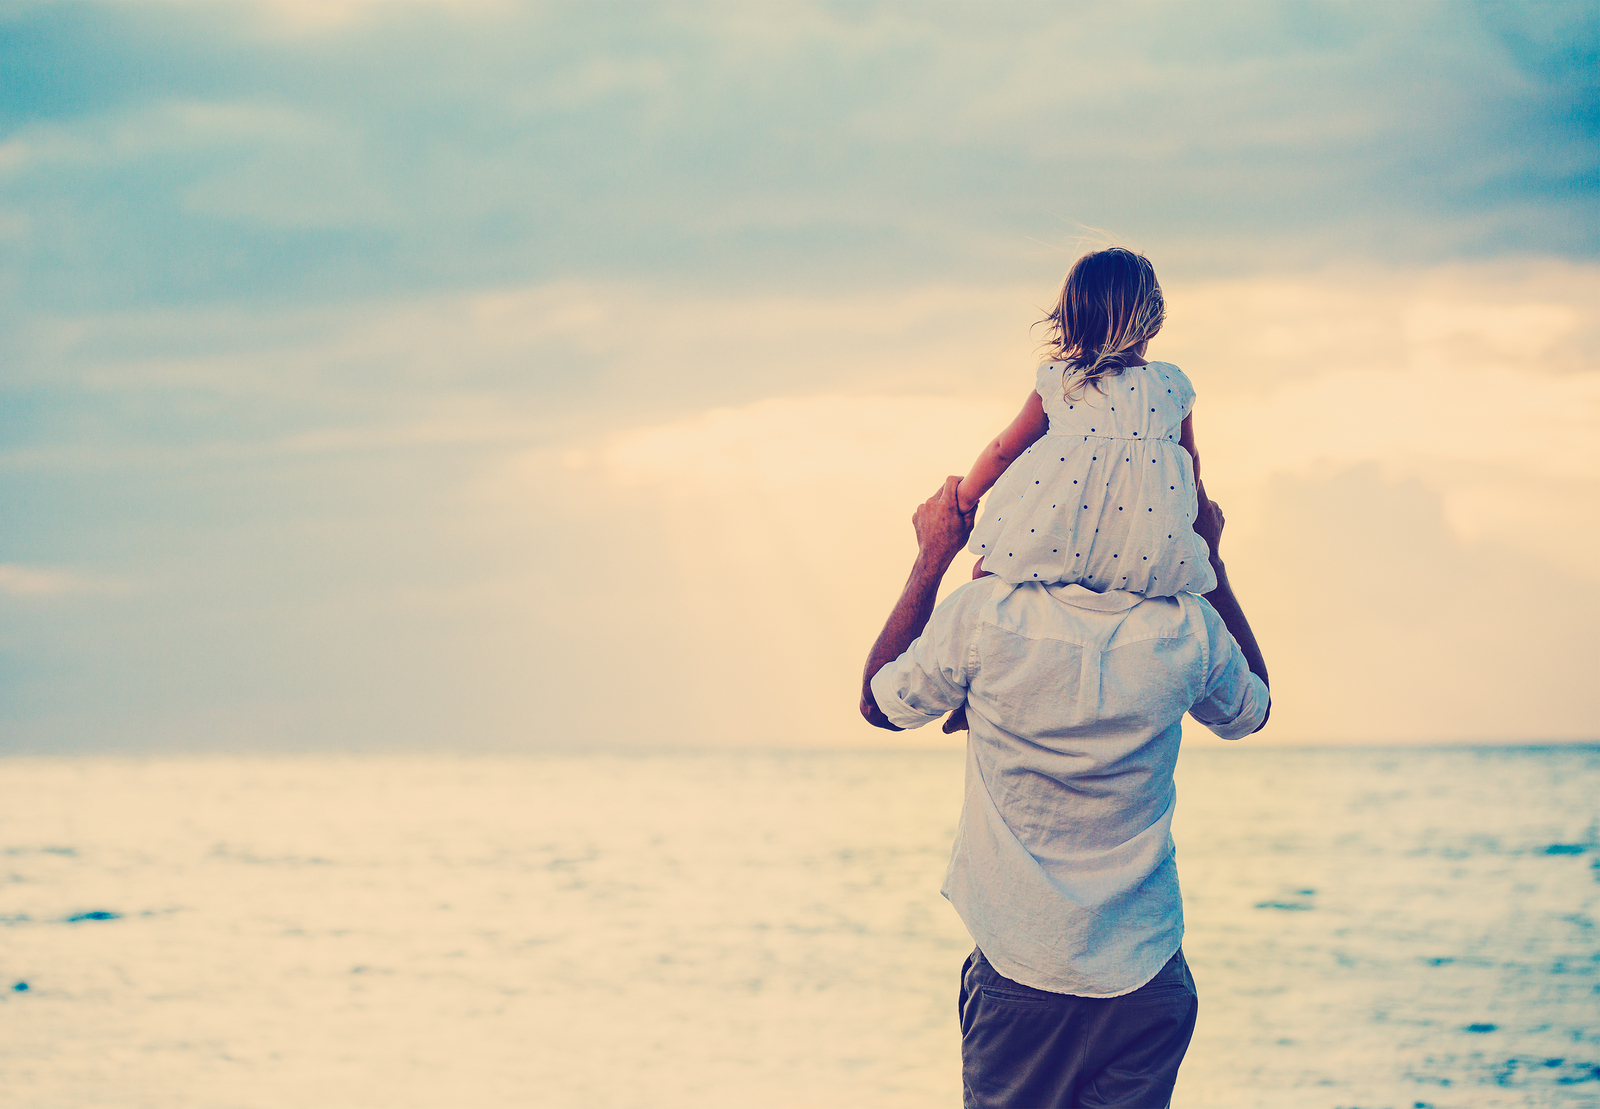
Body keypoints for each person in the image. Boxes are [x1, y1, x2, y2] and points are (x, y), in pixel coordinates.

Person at [859, 475, 1269, 1108]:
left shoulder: (986, 618)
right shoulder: (1188, 627)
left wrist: (932, 557)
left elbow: (881, 702)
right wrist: (1212, 559)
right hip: (1146, 967)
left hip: (1024, 967)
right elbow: (1251, 710)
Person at [956, 247, 1214, 598]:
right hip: (1141, 552)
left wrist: (964, 498)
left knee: (985, 574)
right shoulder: (1170, 385)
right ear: (1154, 319)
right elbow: (1188, 459)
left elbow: (1003, 451)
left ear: (1070, 317)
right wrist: (1194, 520)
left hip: (1055, 538)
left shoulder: (1064, 381)